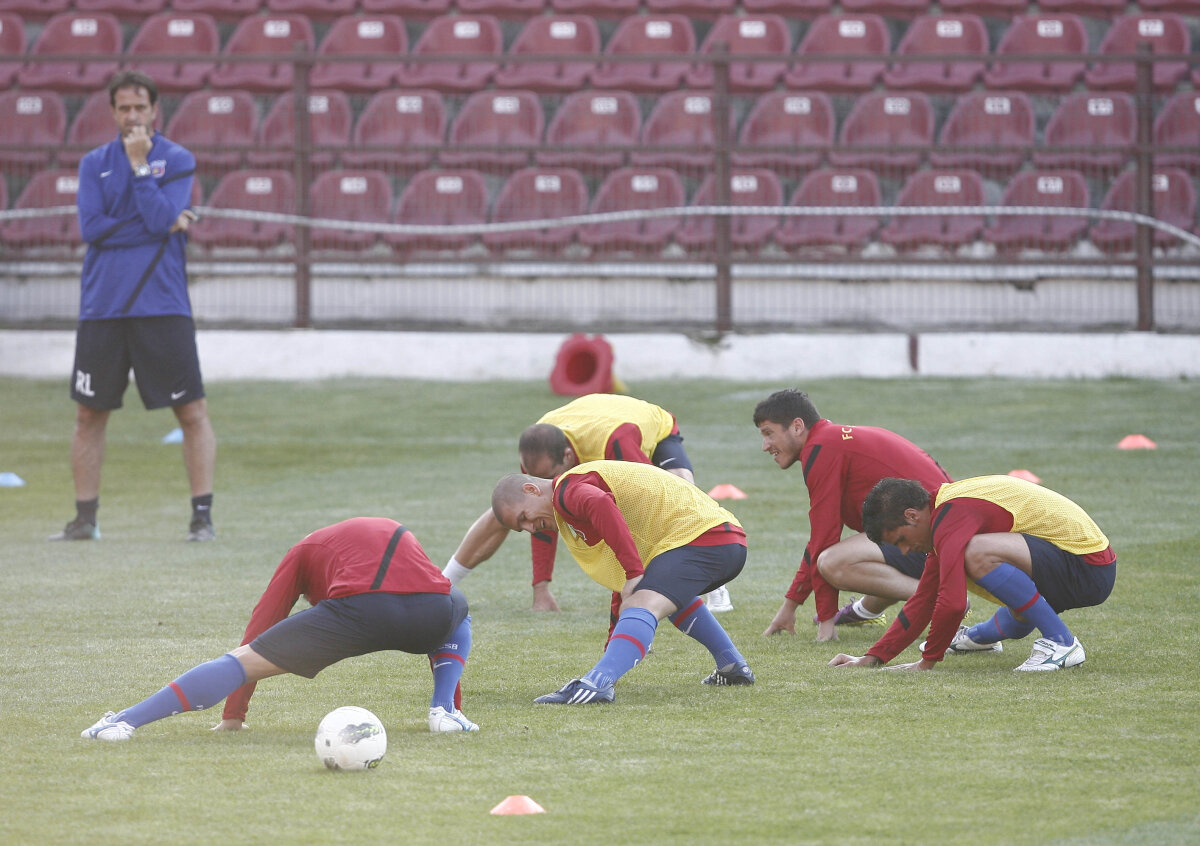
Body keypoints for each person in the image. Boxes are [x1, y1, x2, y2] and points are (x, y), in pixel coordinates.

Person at [82, 517, 478, 741]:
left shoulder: (303, 551)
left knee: (239, 662)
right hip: (431, 612)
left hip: (355, 613)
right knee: (459, 608)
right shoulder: (385, 530)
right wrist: (455, 706)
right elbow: (431, 587)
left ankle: (123, 722)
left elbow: (262, 623)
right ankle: (445, 711)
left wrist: (235, 713)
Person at [50, 70, 215, 543]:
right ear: (112, 112)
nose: (132, 115)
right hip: (102, 305)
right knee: (88, 414)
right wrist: (159, 224)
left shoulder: (177, 159)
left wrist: (142, 169)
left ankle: (201, 518)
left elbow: (161, 217)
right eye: (123, 108)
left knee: (191, 411)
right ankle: (85, 520)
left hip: (162, 303)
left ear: (154, 110)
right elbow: (93, 228)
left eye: (140, 107)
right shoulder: (93, 163)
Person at [491, 461, 754, 705]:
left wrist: (633, 572)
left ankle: (597, 684)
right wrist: (614, 649)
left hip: (704, 537)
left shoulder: (566, 492)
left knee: (643, 602)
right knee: (663, 595)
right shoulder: (571, 498)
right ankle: (731, 666)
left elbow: (599, 503)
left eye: (523, 517)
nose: (529, 528)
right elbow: (623, 584)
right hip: (720, 538)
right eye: (521, 528)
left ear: (531, 489)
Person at [444, 393, 733, 614]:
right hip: (592, 421)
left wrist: (638, 575)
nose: (544, 484)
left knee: (680, 484)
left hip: (651, 429)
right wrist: (540, 588)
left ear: (569, 458)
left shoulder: (615, 444)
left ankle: (716, 585)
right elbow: (540, 517)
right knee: (509, 509)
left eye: (548, 477)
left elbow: (656, 499)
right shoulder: (538, 452)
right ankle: (443, 584)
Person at [829, 475, 1117, 672]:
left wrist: (927, 661)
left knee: (976, 552)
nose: (905, 552)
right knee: (1017, 612)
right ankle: (977, 639)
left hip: (1087, 566)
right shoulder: (944, 514)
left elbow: (953, 603)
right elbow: (923, 601)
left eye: (901, 540)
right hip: (1080, 566)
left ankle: (1062, 643)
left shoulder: (951, 515)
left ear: (912, 516)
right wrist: (872, 658)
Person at [754, 389, 952, 641]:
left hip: (934, 540)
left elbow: (824, 540)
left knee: (834, 562)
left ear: (796, 426)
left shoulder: (822, 448)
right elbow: (819, 539)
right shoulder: (831, 439)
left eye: (769, 433)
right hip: (944, 532)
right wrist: (790, 606)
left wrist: (826, 623)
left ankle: (941, 602)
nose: (765, 446)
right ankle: (864, 611)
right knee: (867, 552)